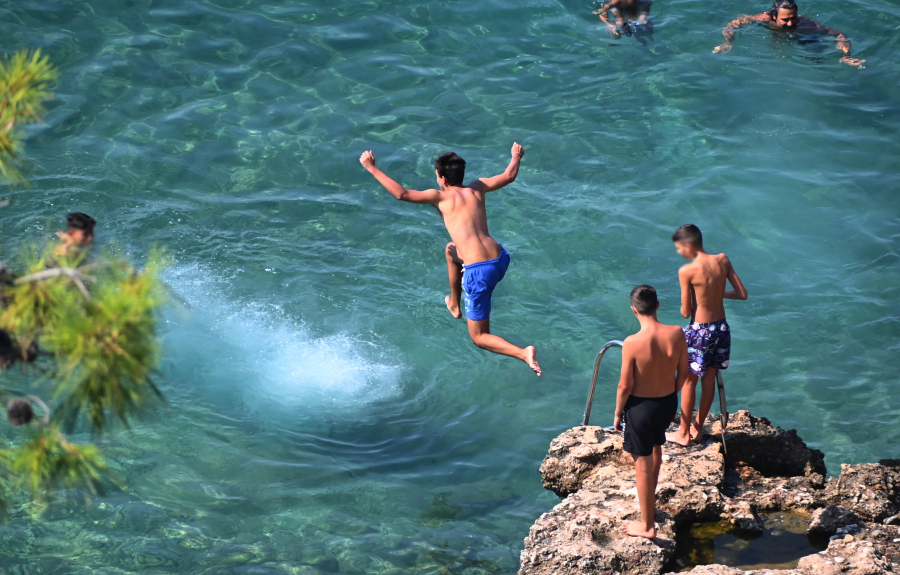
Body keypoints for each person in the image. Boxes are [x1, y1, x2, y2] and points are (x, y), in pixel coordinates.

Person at [359, 144, 541, 376]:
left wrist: (371, 167)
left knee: (479, 337)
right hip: (499, 258)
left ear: (442, 178)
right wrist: (516, 155)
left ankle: (523, 353)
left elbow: (401, 194)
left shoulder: (440, 197)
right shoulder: (477, 187)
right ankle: (455, 304)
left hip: (479, 271)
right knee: (451, 250)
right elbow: (509, 175)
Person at [614, 285, 688, 539]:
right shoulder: (677, 333)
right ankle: (649, 508)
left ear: (634, 310)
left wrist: (617, 413)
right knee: (656, 447)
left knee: (642, 464)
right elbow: (684, 372)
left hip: (640, 408)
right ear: (657, 305)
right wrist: (672, 393)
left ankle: (647, 526)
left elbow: (625, 385)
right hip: (667, 403)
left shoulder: (632, 343)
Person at [666, 224, 748, 446]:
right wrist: (715, 292)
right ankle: (698, 429)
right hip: (720, 328)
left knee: (689, 382)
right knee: (709, 379)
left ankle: (683, 434)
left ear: (688, 245)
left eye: (679, 248)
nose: (679, 253)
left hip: (699, 331)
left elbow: (685, 312)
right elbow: (742, 294)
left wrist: (695, 294)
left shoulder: (687, 271)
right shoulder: (722, 259)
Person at [713, 0, 865, 68]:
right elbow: (734, 23)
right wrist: (728, 42)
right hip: (777, 35)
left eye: (793, 18)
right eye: (785, 20)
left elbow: (839, 35)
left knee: (815, 59)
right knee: (778, 52)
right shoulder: (764, 19)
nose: (791, 23)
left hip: (804, 36)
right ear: (773, 16)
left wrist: (846, 55)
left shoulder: (807, 25)